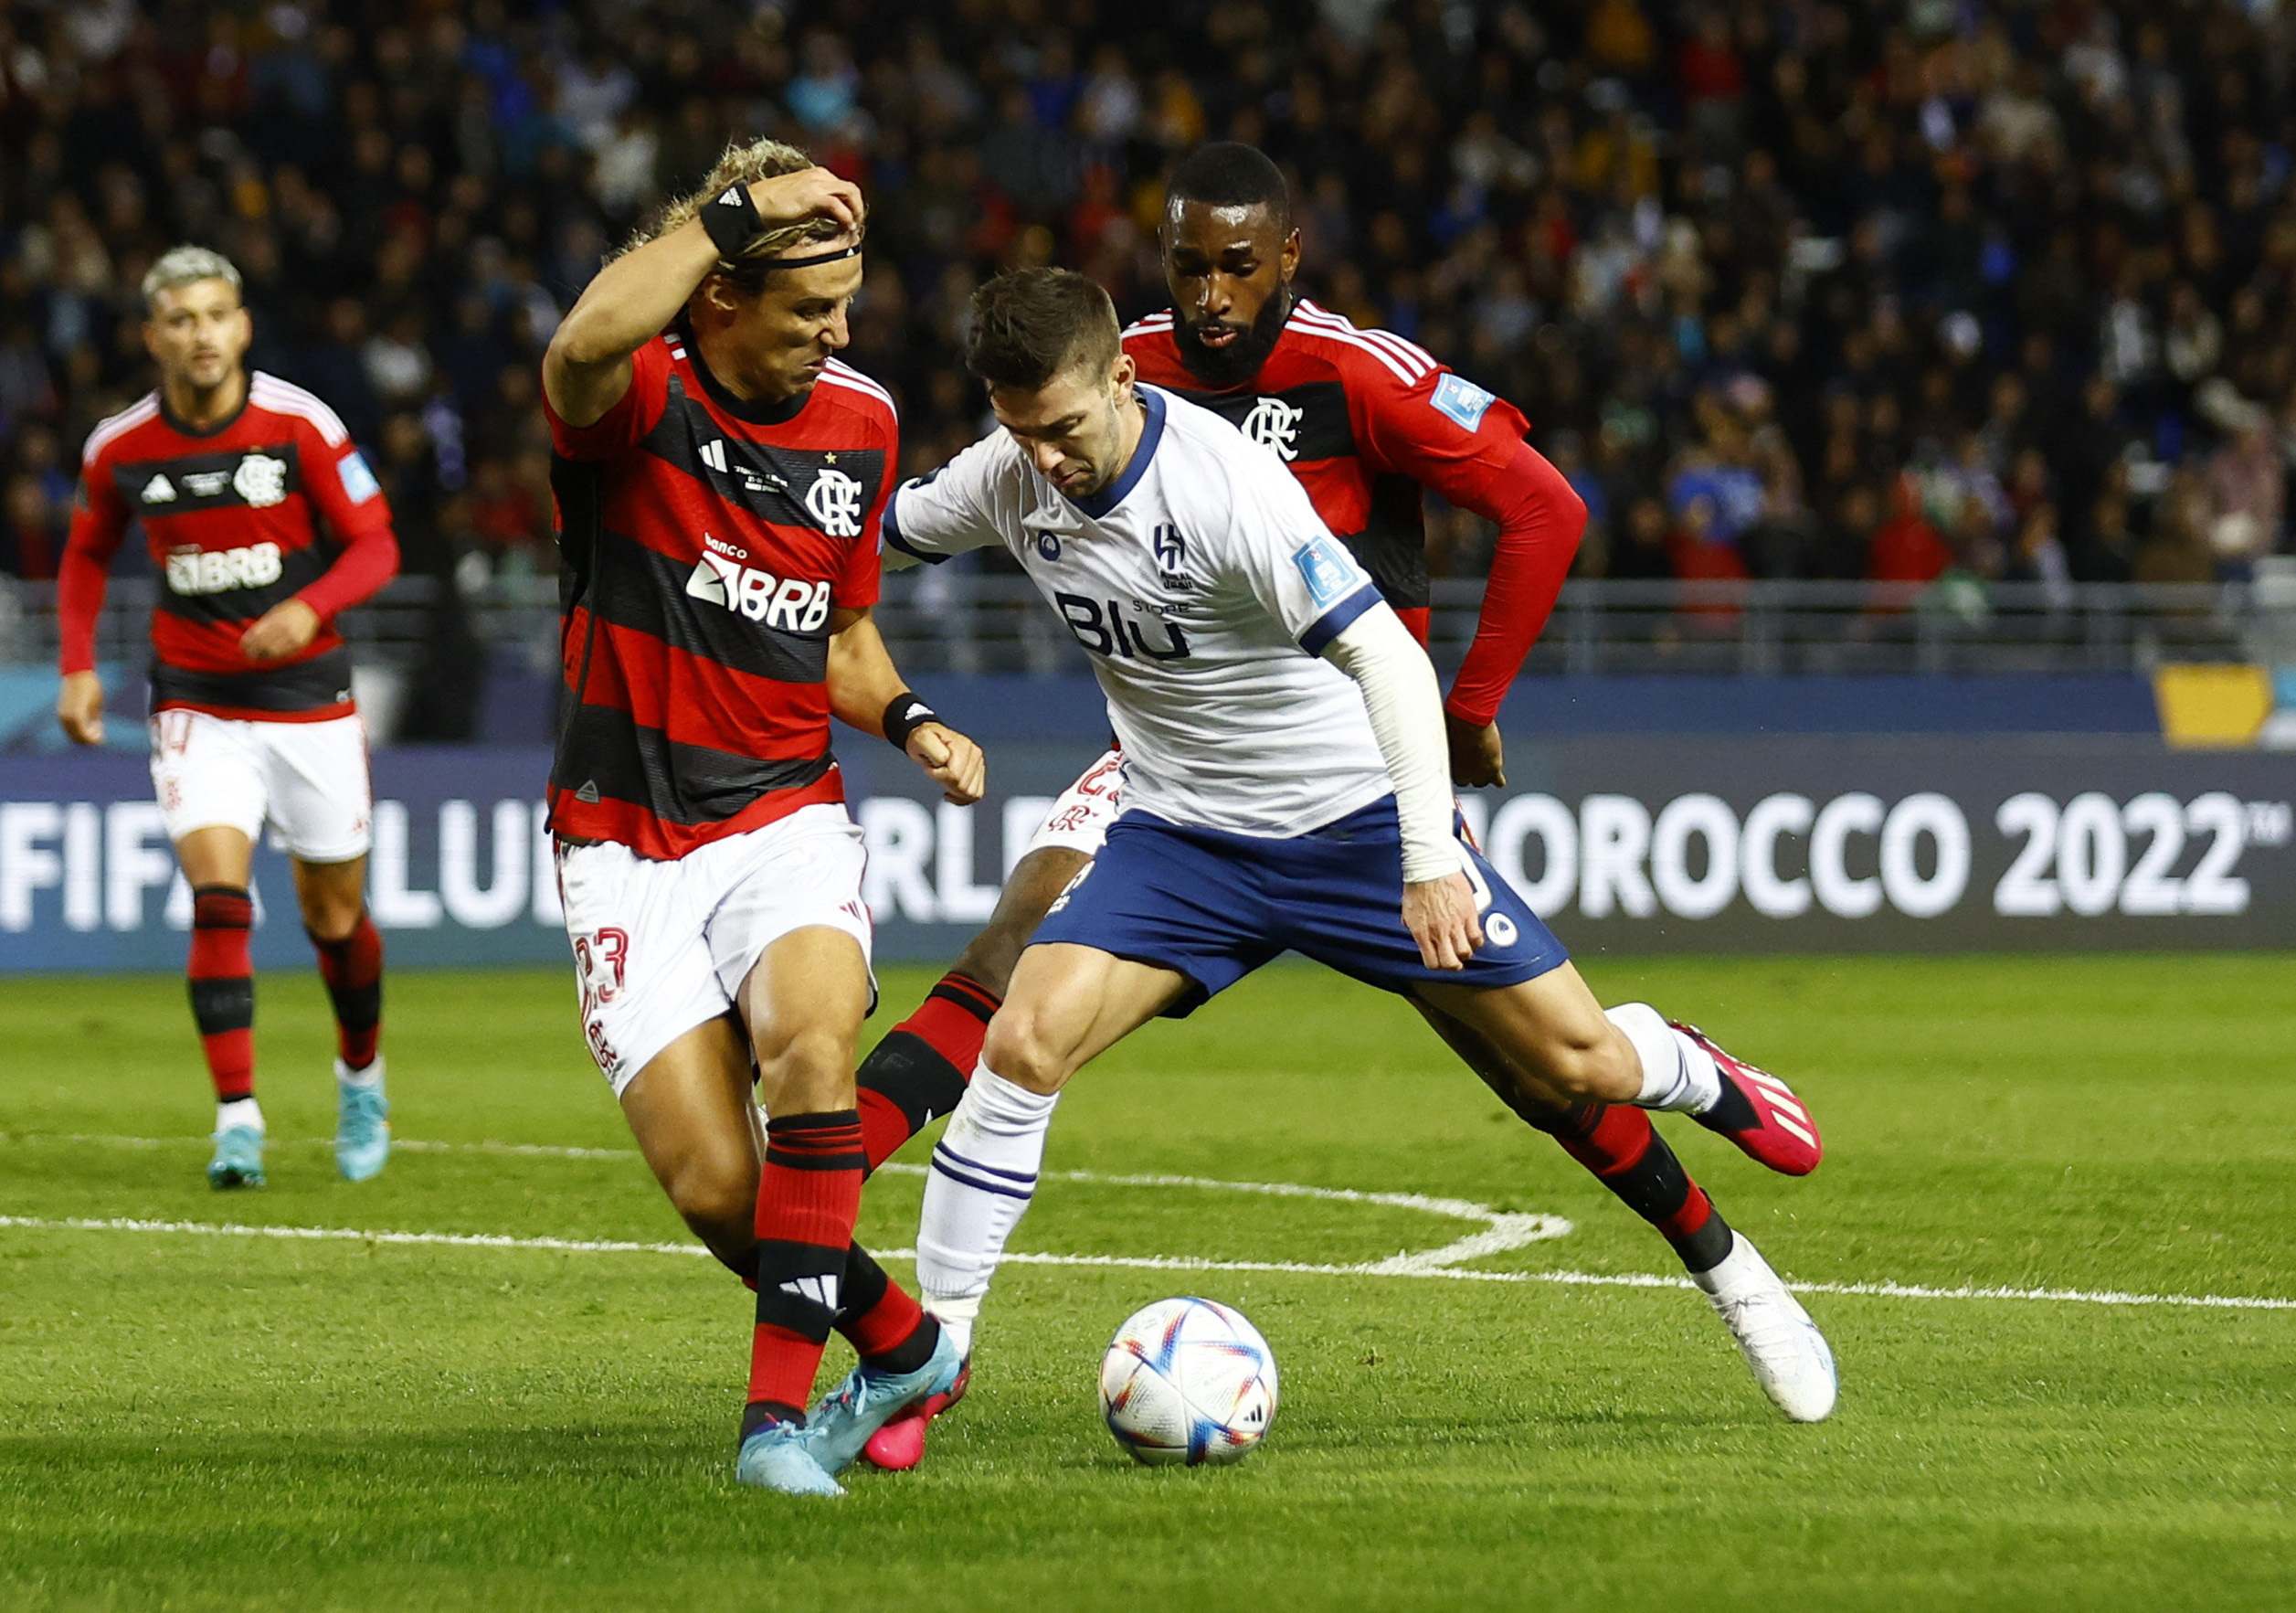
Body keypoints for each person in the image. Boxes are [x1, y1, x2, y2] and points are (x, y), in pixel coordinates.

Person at [855, 146, 1825, 1468]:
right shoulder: (1014, 467)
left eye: (1065, 431)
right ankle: (929, 1363)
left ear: (1122, 388)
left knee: (1576, 1069)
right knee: (1023, 1035)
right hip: (1182, 829)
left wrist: (1429, 855)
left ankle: (1689, 1069)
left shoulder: (1236, 486)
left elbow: (1385, 657)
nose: (1048, 462)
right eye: (1022, 432)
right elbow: (873, 531)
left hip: (1355, 823)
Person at [538, 139, 980, 1496]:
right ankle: (904, 1343)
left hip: (784, 816)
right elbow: (576, 345)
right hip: (619, 841)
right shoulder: (641, 396)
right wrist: (735, 210)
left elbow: (840, 632)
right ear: (721, 296)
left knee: (809, 1054)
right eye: (807, 310)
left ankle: (771, 1429)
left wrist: (906, 717)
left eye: (846, 305)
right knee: (722, 1193)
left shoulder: (862, 420)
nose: (836, 335)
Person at [56, 246, 400, 1191]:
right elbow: (86, 553)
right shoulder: (120, 446)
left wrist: (308, 606)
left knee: (335, 917)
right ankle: (237, 1120)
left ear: (241, 325)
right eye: (180, 319)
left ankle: (360, 1075)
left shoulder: (298, 425)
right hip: (196, 702)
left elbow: (375, 544)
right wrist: (79, 665)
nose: (200, 335)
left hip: (308, 700)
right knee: (218, 898)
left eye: (216, 315)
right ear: (152, 335)